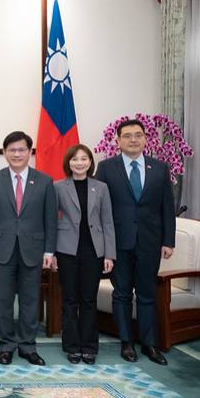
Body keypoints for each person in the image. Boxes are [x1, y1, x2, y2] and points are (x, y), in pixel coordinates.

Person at [96, 119, 175, 365]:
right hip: (118, 241)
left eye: (138, 135)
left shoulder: (160, 168)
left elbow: (167, 208)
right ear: (118, 140)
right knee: (121, 294)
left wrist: (168, 241)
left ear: (145, 139)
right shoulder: (106, 168)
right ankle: (126, 343)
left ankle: (149, 345)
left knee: (147, 294)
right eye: (127, 135)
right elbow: (99, 208)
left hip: (150, 242)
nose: (133, 139)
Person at [0, 130, 57, 366]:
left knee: (30, 299)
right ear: (5, 153)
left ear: (29, 152)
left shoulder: (44, 181)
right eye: (12, 150)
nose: (16, 154)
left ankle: (27, 346)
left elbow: (50, 219)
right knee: (2, 299)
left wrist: (49, 251)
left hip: (33, 249)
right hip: (1, 248)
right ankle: (6, 345)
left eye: (21, 149)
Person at [53, 144, 115, 365]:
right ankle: (71, 345)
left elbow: (108, 222)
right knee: (70, 299)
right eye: (74, 159)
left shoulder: (101, 187)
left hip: (94, 251)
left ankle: (89, 346)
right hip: (67, 249)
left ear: (90, 162)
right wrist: (51, 253)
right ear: (68, 163)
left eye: (84, 159)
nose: (79, 163)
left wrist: (109, 254)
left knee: (89, 300)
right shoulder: (58, 187)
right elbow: (51, 222)